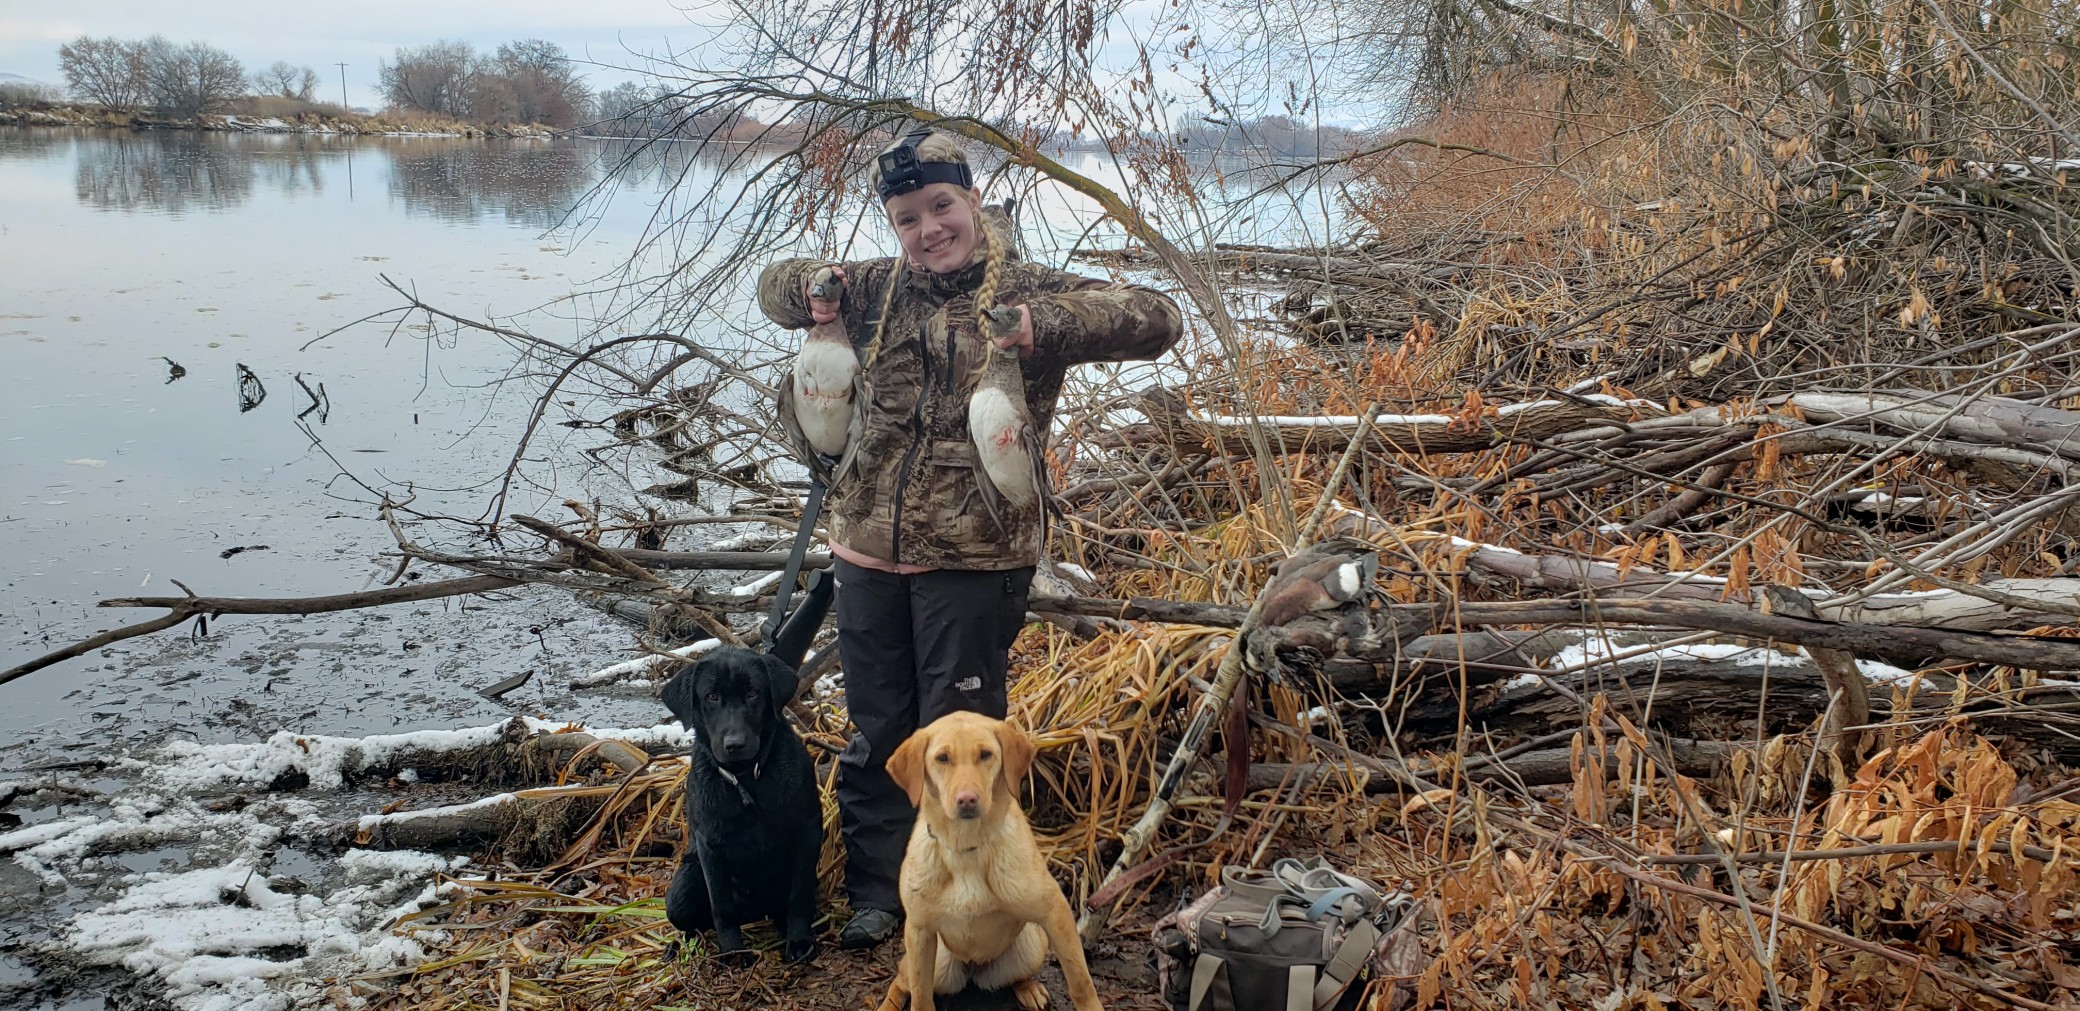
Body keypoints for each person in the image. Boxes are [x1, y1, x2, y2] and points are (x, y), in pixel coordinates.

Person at [755, 127, 1184, 949]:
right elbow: (772, 291)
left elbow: (1157, 318)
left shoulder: (1023, 287)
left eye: (941, 206)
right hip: (866, 553)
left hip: (976, 560)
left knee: (965, 748)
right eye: (907, 216)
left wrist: (1039, 326)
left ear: (973, 200)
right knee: (882, 734)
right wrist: (810, 288)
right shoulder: (871, 292)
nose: (928, 229)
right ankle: (886, 891)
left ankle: (975, 899)